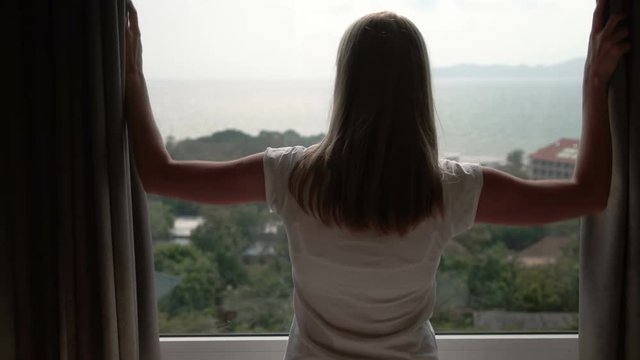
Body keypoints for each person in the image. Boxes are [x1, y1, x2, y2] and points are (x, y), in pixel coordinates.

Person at [124, 1, 629, 359]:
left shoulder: (293, 177)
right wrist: (595, 81)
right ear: (418, 91)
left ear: (346, 85)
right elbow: (588, 193)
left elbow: (159, 174)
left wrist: (132, 76)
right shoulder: (449, 190)